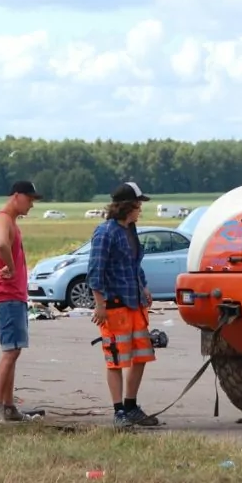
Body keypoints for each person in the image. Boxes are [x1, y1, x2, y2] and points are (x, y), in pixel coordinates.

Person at [87, 182, 160, 429]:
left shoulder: (131, 230)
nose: (140, 210)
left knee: (141, 356)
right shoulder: (105, 232)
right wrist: (100, 305)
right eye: (139, 205)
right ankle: (119, 411)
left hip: (135, 303)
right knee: (116, 360)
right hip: (115, 306)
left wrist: (144, 286)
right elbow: (96, 270)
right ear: (128, 206)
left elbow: (134, 264)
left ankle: (131, 406)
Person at [0, 181, 41, 423]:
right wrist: (9, 265)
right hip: (6, 294)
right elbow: (0, 242)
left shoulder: (11, 222)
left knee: (14, 350)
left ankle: (9, 406)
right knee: (9, 351)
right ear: (17, 196)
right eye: (29, 199)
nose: (31, 205)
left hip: (15, 295)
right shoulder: (2, 219)